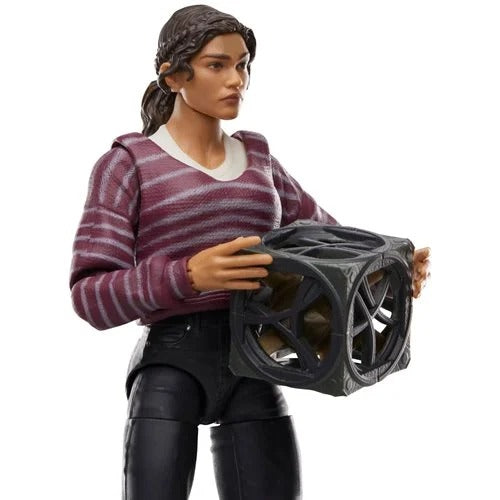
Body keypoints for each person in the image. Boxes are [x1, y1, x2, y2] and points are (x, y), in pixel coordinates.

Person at [69, 5, 430, 499]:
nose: (236, 80)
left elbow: (327, 245)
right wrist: (187, 275)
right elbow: (90, 296)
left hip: (259, 358)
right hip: (172, 362)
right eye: (216, 65)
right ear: (174, 75)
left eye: (242, 65)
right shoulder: (128, 165)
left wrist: (386, 274)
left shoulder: (259, 159)